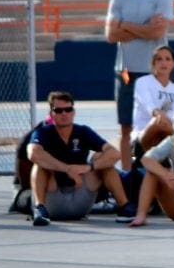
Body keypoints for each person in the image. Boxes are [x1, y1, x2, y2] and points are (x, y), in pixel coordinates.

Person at [105, 0, 174, 171]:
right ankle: (126, 175)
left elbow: (158, 31)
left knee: (160, 124)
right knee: (126, 127)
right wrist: (144, 27)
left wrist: (125, 25)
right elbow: (111, 35)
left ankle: (157, 170)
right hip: (126, 71)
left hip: (154, 72)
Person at [27, 91, 136, 226]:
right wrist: (67, 169)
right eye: (58, 110)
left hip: (80, 198)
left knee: (102, 159)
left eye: (68, 109)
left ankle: (124, 207)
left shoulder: (83, 131)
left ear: (73, 112)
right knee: (39, 165)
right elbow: (33, 153)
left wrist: (87, 167)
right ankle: (40, 209)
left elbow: (114, 153)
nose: (64, 114)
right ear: (51, 113)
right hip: (53, 201)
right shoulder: (43, 132)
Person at [128, 110, 174, 227]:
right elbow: (146, 159)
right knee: (152, 173)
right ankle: (141, 215)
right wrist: (167, 176)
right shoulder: (172, 140)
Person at [130, 45, 174, 162]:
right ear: (153, 63)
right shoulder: (143, 82)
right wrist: (172, 127)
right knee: (159, 121)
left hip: (168, 137)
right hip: (144, 137)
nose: (164, 63)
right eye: (159, 59)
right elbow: (152, 109)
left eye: (167, 59)